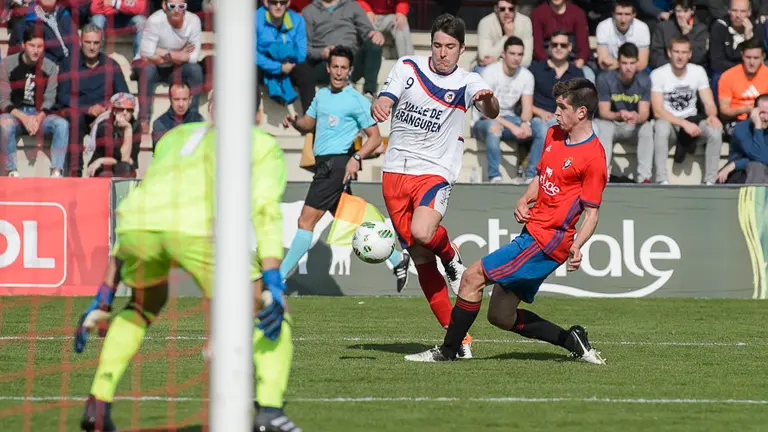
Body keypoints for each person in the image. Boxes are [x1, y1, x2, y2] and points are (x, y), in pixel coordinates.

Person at [73, 93, 303, 431]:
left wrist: (105, 292)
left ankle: (98, 403)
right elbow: (266, 212)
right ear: (257, 116)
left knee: (144, 304)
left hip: (138, 226)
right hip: (198, 229)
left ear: (211, 110)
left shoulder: (175, 136)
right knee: (267, 309)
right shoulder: (261, 144)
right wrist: (272, 278)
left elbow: (145, 195)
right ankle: (269, 411)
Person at [404, 78, 607, 364]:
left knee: (471, 277)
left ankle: (447, 351)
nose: (556, 112)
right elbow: (542, 176)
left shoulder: (594, 156)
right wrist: (525, 199)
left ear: (582, 112)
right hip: (532, 232)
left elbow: (592, 213)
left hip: (546, 241)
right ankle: (571, 340)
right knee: (500, 315)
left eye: (562, 107)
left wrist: (577, 245)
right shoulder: (553, 135)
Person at [371, 14, 500, 359]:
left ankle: (451, 255)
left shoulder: (469, 80)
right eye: (438, 45)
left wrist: (487, 99)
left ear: (462, 49)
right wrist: (382, 102)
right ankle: (458, 341)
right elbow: (387, 96)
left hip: (435, 171)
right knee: (419, 255)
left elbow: (490, 109)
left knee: (423, 231)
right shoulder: (408, 67)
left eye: (450, 47)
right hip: (395, 172)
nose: (443, 53)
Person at [280, 45, 411, 290]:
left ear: (350, 71)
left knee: (305, 222)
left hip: (337, 166)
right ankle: (397, 258)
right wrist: (295, 121)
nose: (339, 72)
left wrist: (357, 158)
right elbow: (308, 124)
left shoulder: (356, 100)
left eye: (343, 68)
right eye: (335, 67)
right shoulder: (321, 96)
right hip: (323, 166)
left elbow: (375, 138)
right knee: (349, 219)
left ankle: (277, 278)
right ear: (328, 68)